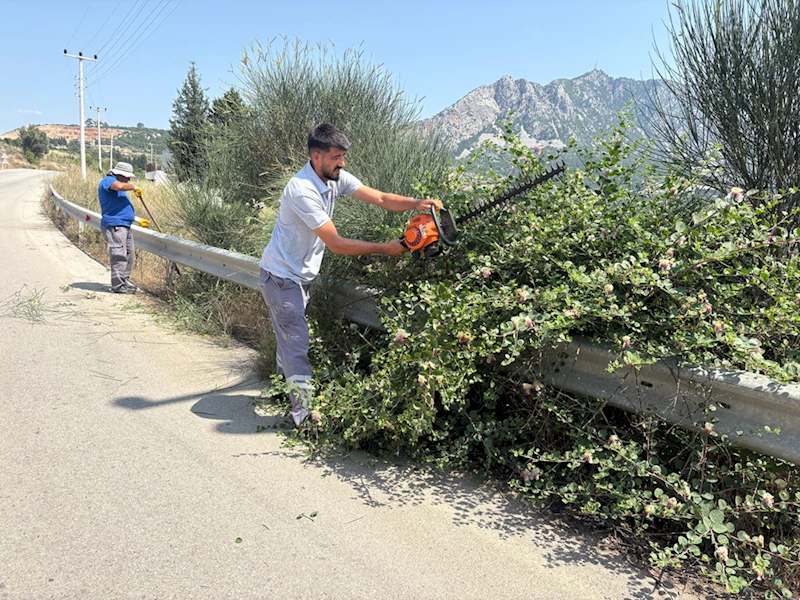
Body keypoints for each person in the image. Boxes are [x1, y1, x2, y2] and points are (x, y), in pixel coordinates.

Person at [259, 123, 442, 427]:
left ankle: (282, 389)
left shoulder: (334, 178)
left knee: (288, 336)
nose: (342, 163)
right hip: (281, 278)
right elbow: (337, 243)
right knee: (295, 342)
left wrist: (417, 203)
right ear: (316, 157)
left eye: (343, 156)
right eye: (336, 157)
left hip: (299, 276)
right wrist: (385, 249)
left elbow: (381, 198)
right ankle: (304, 417)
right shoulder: (301, 190)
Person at [98, 161, 142, 294]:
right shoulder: (108, 181)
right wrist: (133, 187)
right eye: (127, 177)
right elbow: (118, 186)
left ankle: (124, 281)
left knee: (129, 255)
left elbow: (119, 206)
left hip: (124, 225)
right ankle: (117, 285)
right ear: (119, 174)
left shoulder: (119, 185)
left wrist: (137, 219)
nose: (128, 179)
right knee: (119, 255)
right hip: (115, 225)